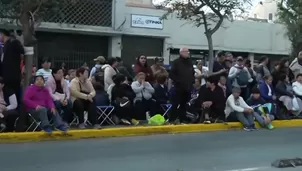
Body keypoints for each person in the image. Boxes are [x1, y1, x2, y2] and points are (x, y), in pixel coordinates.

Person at [169, 47, 194, 124]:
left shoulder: (189, 62)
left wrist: (191, 81)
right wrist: (178, 81)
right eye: (187, 52)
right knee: (176, 103)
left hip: (187, 87)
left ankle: (182, 119)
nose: (188, 53)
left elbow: (192, 72)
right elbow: (172, 74)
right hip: (179, 87)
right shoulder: (176, 62)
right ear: (181, 52)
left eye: (188, 52)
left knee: (184, 104)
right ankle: (172, 119)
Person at [0, 29, 24, 103]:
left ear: (2, 34)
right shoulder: (5, 46)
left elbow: (23, 51)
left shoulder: (14, 42)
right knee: (8, 99)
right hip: (6, 77)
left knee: (15, 98)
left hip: (13, 76)